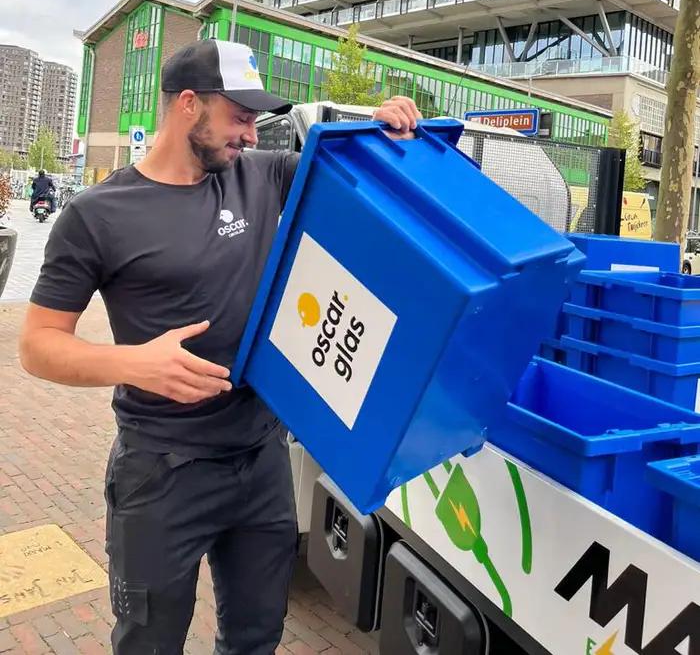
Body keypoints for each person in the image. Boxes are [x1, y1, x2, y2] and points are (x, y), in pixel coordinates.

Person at [20, 39, 421, 654]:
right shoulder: (98, 214)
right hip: (162, 473)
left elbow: (343, 160)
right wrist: (134, 363)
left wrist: (384, 123)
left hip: (260, 462)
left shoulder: (260, 174)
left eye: (257, 117)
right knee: (148, 644)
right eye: (239, 115)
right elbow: (38, 345)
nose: (251, 131)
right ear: (187, 105)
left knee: (256, 638)